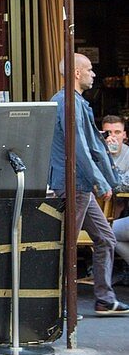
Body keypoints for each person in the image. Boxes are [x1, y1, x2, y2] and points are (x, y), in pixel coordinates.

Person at [50, 53, 129, 315]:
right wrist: (101, 181)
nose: (93, 74)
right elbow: (80, 149)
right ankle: (55, 302)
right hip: (72, 183)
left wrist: (108, 179)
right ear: (76, 73)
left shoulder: (76, 102)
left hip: (80, 184)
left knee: (105, 238)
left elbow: (92, 146)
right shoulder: (67, 103)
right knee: (67, 244)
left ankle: (104, 299)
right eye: (90, 69)